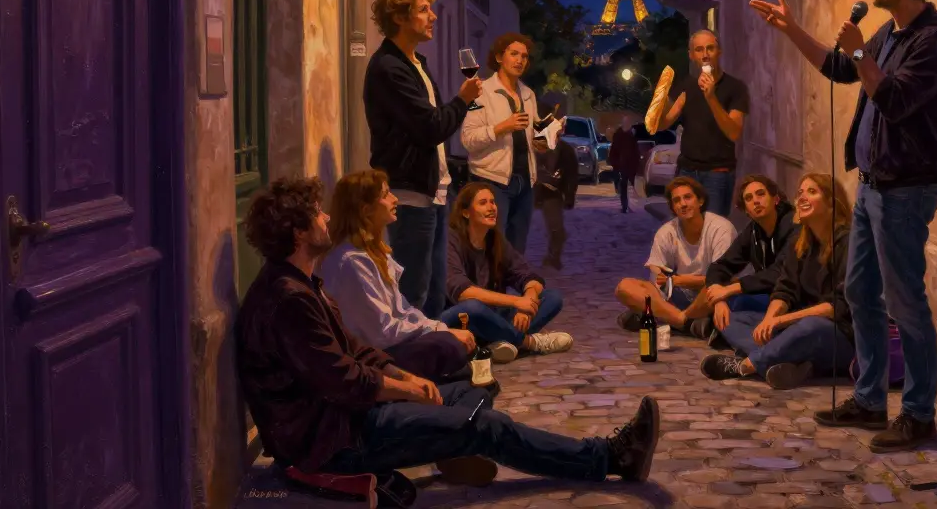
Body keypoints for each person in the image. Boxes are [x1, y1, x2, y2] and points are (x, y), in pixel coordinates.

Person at [236, 177, 662, 489]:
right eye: (316, 212)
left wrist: (403, 377)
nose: (326, 215)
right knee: (483, 424)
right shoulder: (288, 298)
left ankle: (453, 442)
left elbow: (355, 349)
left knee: (469, 393)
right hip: (336, 439)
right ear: (297, 232)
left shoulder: (303, 283)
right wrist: (406, 390)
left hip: (349, 418)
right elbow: (343, 381)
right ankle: (607, 456)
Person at [749, 0, 937, 451]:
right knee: (859, 293)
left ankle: (918, 413)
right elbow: (841, 69)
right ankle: (869, 400)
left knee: (905, 301)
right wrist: (791, 27)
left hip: (905, 191)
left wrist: (861, 50)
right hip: (869, 187)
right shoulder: (891, 32)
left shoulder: (935, 40)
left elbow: (894, 98)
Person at [364, 0, 481, 319]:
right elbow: (431, 127)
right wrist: (463, 99)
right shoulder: (389, 67)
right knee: (413, 289)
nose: (433, 16)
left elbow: (435, 122)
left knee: (435, 285)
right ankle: (411, 361)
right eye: (423, 10)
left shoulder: (416, 63)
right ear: (399, 18)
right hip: (410, 194)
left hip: (433, 190)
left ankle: (434, 357)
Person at [318, 169, 478, 384]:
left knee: (461, 337)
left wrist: (438, 327)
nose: (394, 199)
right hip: (374, 356)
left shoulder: (373, 251)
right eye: (385, 195)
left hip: (391, 341)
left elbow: (402, 310)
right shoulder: (352, 262)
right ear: (366, 210)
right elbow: (384, 331)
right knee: (448, 347)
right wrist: (441, 331)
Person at [699, 174, 855, 390]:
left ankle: (746, 366)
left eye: (812, 192)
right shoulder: (802, 244)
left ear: (831, 201)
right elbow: (785, 290)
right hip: (799, 327)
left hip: (841, 336)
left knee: (809, 327)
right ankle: (790, 362)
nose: (802, 197)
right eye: (800, 192)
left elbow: (837, 307)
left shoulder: (848, 242)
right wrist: (770, 319)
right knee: (734, 319)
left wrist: (781, 321)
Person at [441, 182, 574, 363]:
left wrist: (527, 303)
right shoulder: (451, 239)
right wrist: (517, 301)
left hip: (494, 316)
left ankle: (498, 342)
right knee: (474, 307)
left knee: (553, 297)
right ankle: (529, 342)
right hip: (461, 319)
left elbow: (528, 276)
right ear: (465, 212)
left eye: (493, 202)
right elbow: (462, 292)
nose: (491, 208)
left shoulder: (494, 239)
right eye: (483, 203)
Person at [613, 177, 736, 338]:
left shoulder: (721, 229)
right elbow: (658, 279)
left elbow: (721, 279)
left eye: (688, 197)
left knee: (714, 289)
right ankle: (684, 322)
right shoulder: (667, 232)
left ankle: (660, 317)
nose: (683, 204)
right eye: (677, 200)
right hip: (678, 296)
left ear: (700, 201)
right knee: (624, 287)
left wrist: (677, 280)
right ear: (672, 207)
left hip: (711, 295)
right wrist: (665, 284)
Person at [647, 30, 749, 218]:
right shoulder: (687, 87)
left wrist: (711, 97)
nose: (705, 55)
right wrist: (659, 101)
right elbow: (663, 123)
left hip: (717, 173)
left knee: (713, 233)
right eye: (699, 50)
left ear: (719, 51)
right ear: (691, 55)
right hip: (686, 171)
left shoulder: (735, 88)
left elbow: (734, 132)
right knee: (682, 231)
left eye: (710, 48)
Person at [461, 33, 540, 253]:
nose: (520, 60)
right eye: (513, 54)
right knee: (491, 249)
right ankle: (490, 288)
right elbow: (468, 139)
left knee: (516, 252)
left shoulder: (528, 94)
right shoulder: (480, 93)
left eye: (524, 56)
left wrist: (543, 140)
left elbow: (530, 139)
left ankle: (507, 288)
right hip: (492, 182)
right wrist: (501, 128)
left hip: (525, 182)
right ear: (498, 57)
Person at [701, 174, 799, 342]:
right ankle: (720, 329)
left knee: (737, 304)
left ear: (775, 199)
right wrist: (719, 300)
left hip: (791, 299)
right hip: (768, 296)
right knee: (725, 302)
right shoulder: (753, 230)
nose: (755, 201)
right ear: (746, 210)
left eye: (761, 194)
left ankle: (724, 332)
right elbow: (720, 266)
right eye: (749, 198)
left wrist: (729, 290)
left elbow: (779, 271)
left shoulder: (793, 224)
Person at [534, 121, 579, 271]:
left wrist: (569, 195)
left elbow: (572, 175)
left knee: (557, 230)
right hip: (533, 191)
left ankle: (553, 257)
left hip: (552, 194)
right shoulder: (537, 146)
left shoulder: (566, 150)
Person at [607, 116, 640, 214]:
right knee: (623, 185)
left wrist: (637, 162)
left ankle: (628, 206)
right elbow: (614, 150)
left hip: (630, 165)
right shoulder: (619, 135)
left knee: (631, 185)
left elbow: (635, 151)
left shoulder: (632, 135)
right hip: (622, 165)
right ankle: (625, 206)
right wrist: (615, 163)